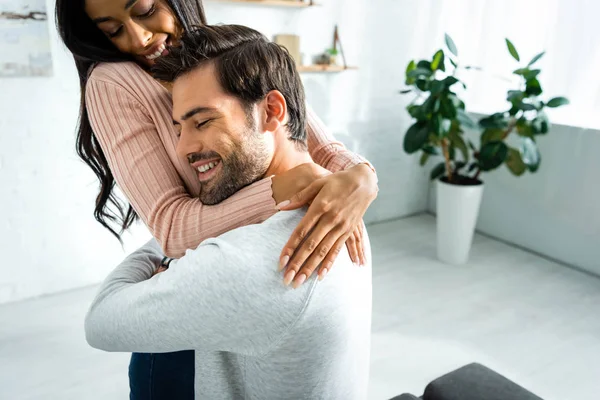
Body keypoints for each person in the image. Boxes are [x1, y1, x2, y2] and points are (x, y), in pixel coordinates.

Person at [55, 0, 378, 396]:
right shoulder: (114, 81)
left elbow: (308, 136)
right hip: (202, 285)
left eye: (143, 10)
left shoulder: (226, 56)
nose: (137, 38)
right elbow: (171, 227)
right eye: (111, 30)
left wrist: (362, 177)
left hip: (234, 272)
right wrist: (278, 190)